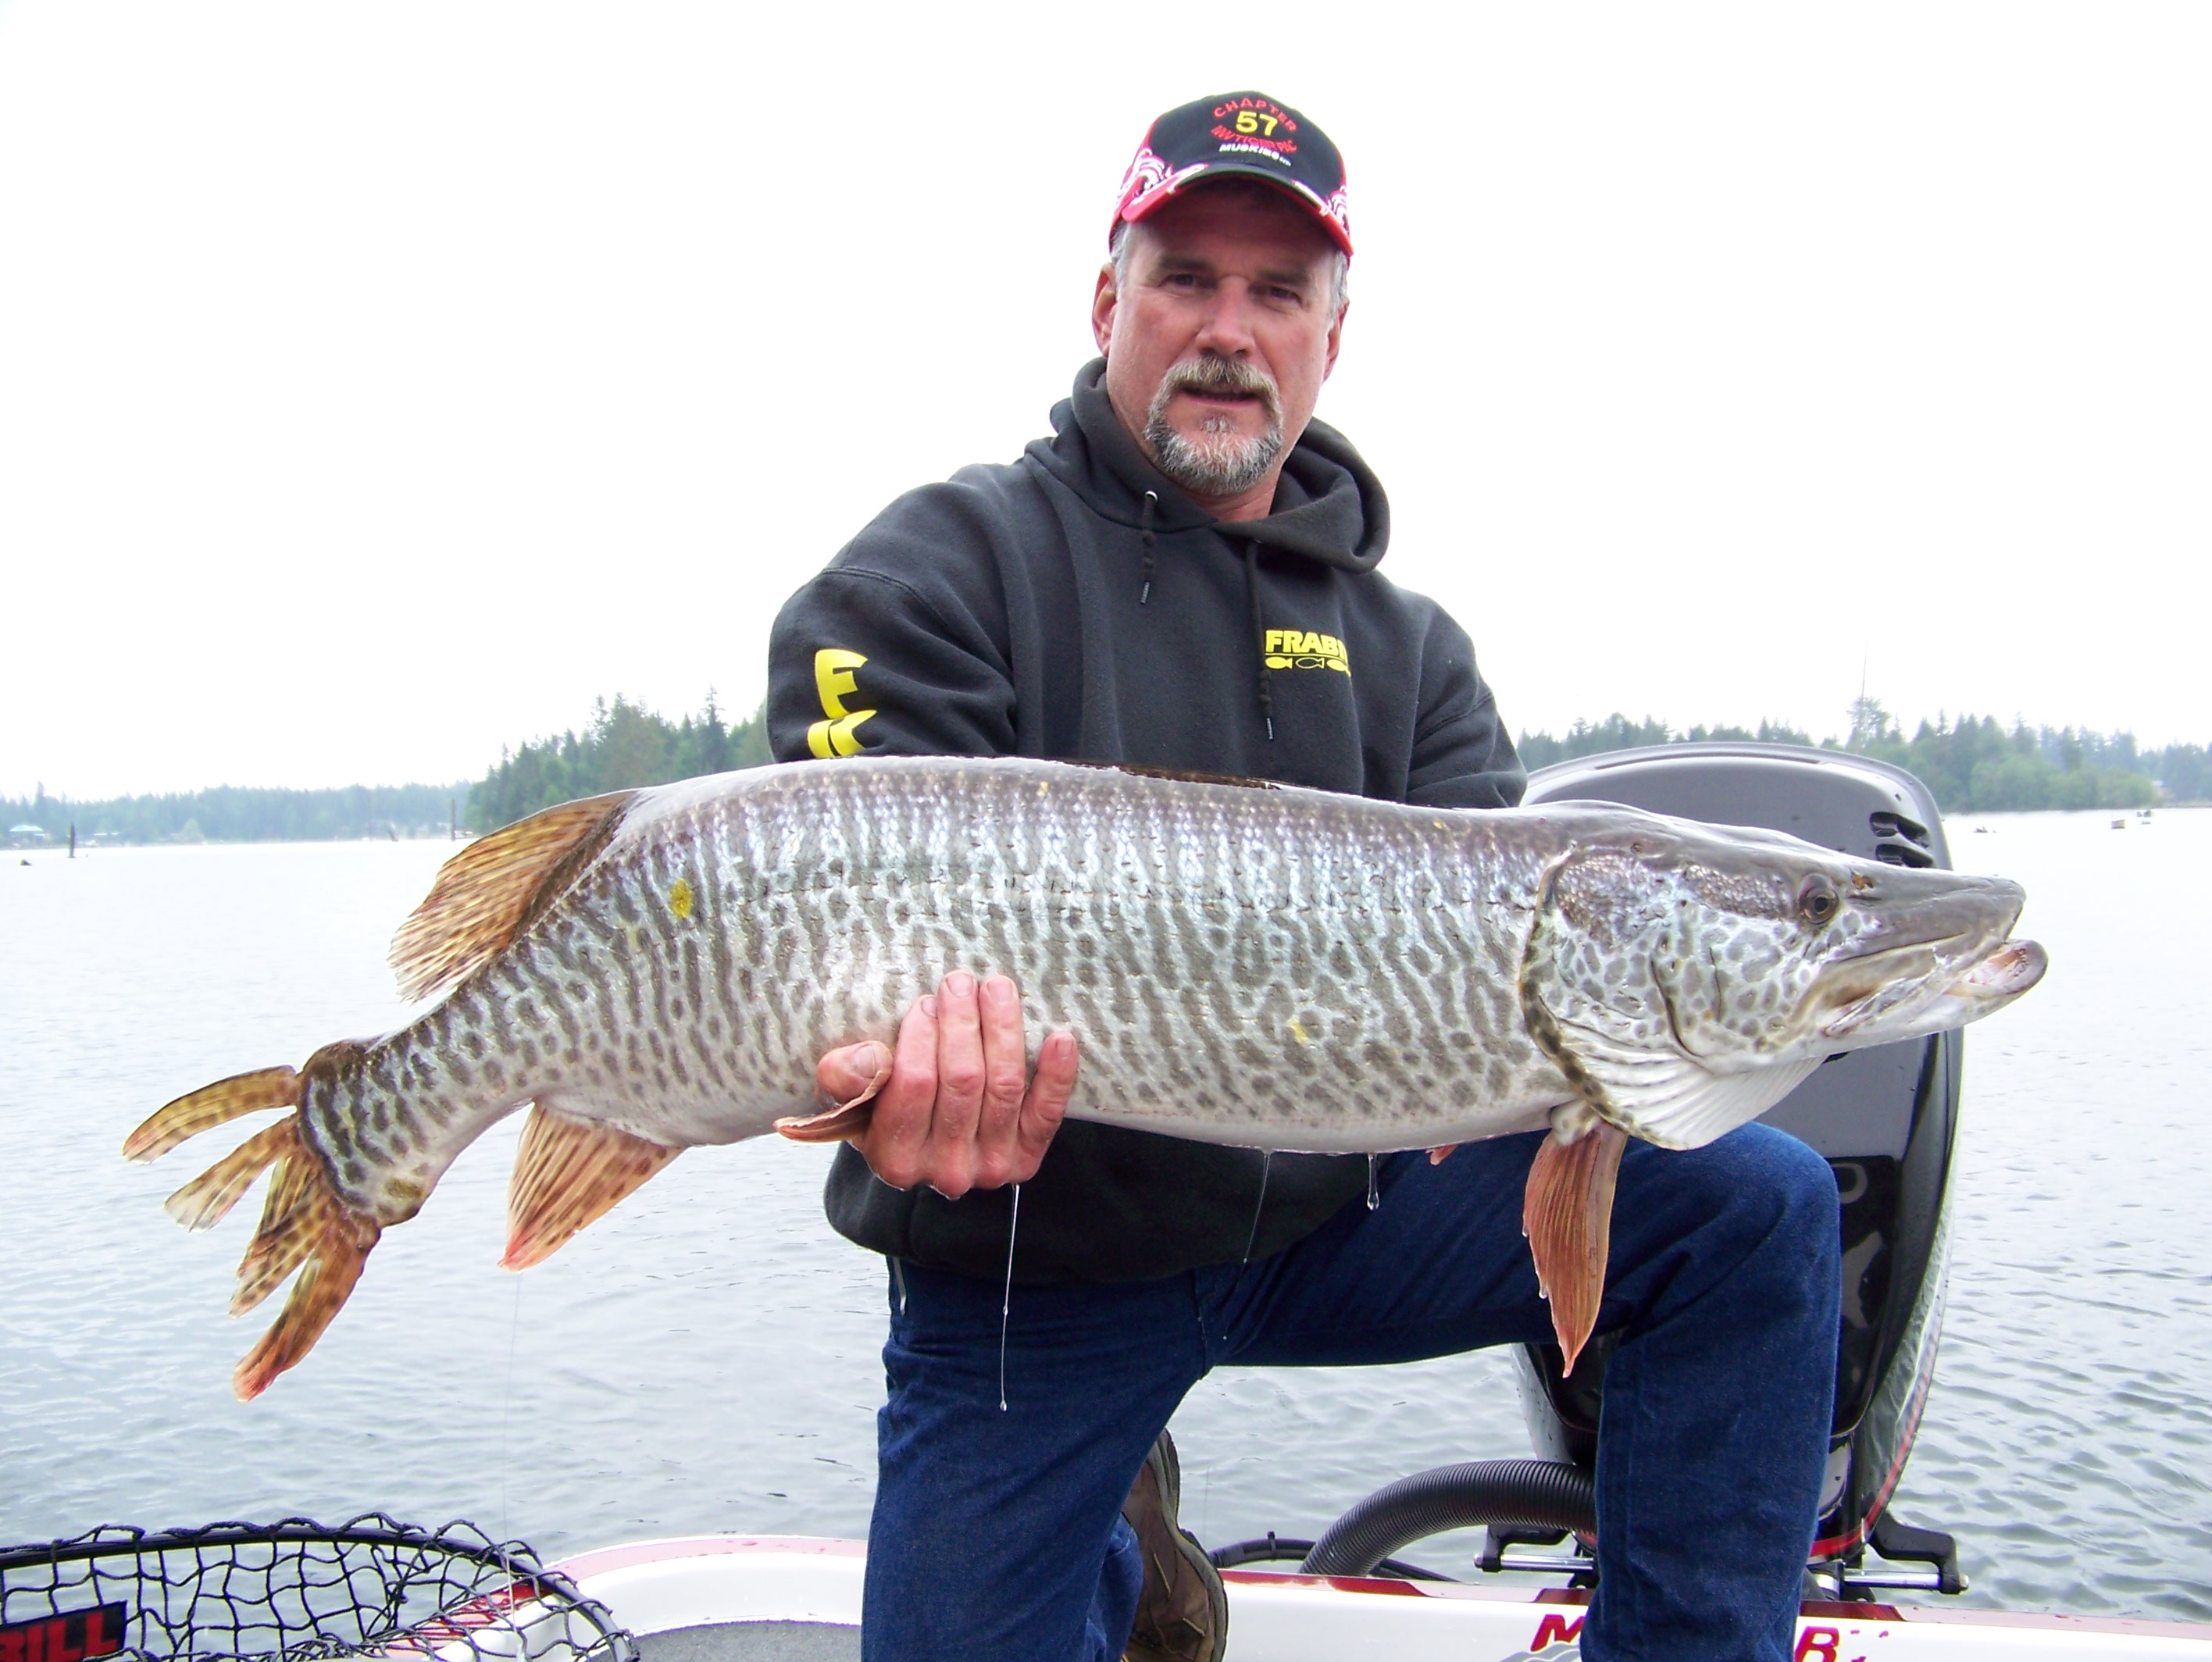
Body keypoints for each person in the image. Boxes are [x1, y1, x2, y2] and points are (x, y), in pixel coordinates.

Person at [765, 91, 1840, 1662]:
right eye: (1185, 276)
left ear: (1334, 336)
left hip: (1342, 1209)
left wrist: (1597, 1080)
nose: (1227, 328)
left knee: (1755, 1204)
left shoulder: (1414, 659)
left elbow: (1502, 997)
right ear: (1105, 302)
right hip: (1034, 1264)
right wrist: (899, 1079)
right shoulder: (943, 571)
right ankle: (1121, 1538)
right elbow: (826, 881)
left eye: (1278, 292)